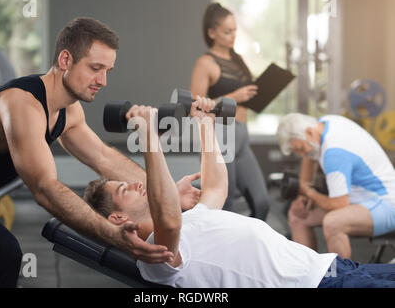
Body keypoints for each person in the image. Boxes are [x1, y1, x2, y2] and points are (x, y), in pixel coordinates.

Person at [0, 17, 200, 288]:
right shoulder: (21, 105)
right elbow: (45, 188)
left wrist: (168, 193)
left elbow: (103, 158)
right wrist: (114, 235)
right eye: (95, 68)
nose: (102, 81)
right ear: (66, 60)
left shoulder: (68, 110)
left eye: (107, 71)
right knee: (3, 255)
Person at [84, 97, 395, 288]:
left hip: (333, 268)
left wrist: (205, 124)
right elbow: (167, 218)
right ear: (117, 217)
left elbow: (217, 186)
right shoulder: (157, 254)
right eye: (125, 188)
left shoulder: (188, 221)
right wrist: (148, 133)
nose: (137, 184)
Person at [276, 113, 395, 259]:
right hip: (361, 201)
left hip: (386, 204)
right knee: (298, 214)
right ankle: (309, 274)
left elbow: (339, 203)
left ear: (309, 132)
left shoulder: (334, 153)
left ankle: (342, 278)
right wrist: (302, 197)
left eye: (300, 148)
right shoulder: (322, 124)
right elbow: (309, 157)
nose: (301, 154)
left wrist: (309, 193)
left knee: (333, 222)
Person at [190, 2, 269, 219]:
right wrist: (233, 97)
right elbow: (195, 107)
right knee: (226, 207)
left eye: (234, 30)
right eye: (227, 31)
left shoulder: (238, 59)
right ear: (212, 33)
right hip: (221, 135)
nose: (233, 35)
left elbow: (248, 93)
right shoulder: (205, 64)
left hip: (242, 134)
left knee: (261, 202)